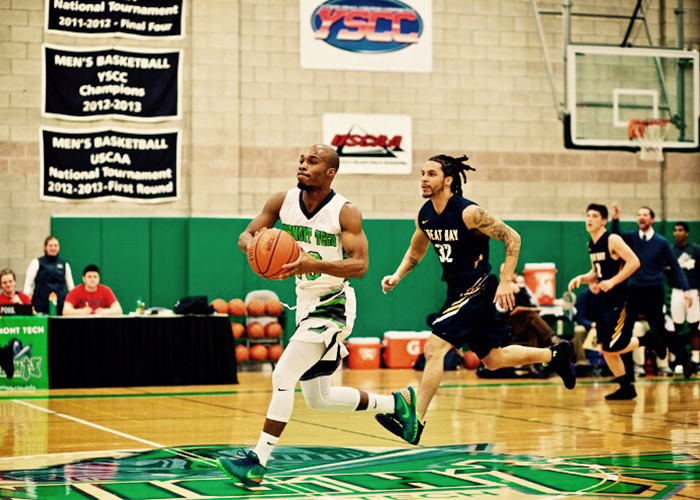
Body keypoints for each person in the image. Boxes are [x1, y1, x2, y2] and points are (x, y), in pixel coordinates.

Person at [217, 144, 405, 486]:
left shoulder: (345, 212)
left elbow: (361, 266)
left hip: (333, 304)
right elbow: (244, 236)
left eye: (312, 162)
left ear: (330, 172)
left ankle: (257, 462)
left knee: (282, 375)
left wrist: (310, 264)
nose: (303, 165)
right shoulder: (282, 201)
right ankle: (396, 404)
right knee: (320, 398)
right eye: (301, 160)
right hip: (304, 304)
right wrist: (258, 247)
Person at [375, 154, 577, 446]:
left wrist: (506, 281)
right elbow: (416, 251)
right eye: (422, 173)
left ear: (448, 180)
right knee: (494, 360)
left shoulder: (469, 213)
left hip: (477, 288)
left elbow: (513, 238)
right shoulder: (425, 214)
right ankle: (556, 354)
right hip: (456, 292)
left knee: (433, 349)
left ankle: (415, 421)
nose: (423, 179)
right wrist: (397, 275)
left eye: (431, 174)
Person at [569, 204, 667, 400]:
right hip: (604, 301)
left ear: (604, 221)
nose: (589, 219)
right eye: (587, 215)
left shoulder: (612, 239)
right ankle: (626, 388)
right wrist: (582, 278)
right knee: (605, 349)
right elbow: (596, 272)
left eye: (594, 216)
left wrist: (613, 281)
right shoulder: (592, 244)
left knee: (614, 346)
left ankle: (648, 340)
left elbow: (634, 262)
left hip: (621, 299)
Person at [611, 204, 694, 378]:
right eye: (639, 214)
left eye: (645, 215)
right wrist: (616, 219)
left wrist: (686, 289)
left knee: (660, 329)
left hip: (653, 291)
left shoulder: (661, 242)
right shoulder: (631, 238)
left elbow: (675, 267)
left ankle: (684, 359)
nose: (641, 217)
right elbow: (615, 237)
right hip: (633, 290)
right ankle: (626, 373)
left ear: (652, 219)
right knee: (625, 330)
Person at [668, 221, 700, 371]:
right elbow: (666, 271)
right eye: (675, 230)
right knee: (676, 326)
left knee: (694, 326)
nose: (677, 233)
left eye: (680, 230)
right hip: (677, 291)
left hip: (693, 291)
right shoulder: (671, 250)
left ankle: (696, 359)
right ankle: (677, 358)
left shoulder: (695, 250)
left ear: (686, 233)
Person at [23, 236, 74, 315]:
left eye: (55, 245)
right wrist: (27, 303)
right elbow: (28, 284)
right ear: (45, 247)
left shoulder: (65, 264)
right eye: (50, 245)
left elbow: (71, 287)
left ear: (59, 247)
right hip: (40, 305)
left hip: (60, 306)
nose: (53, 248)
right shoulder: (36, 262)